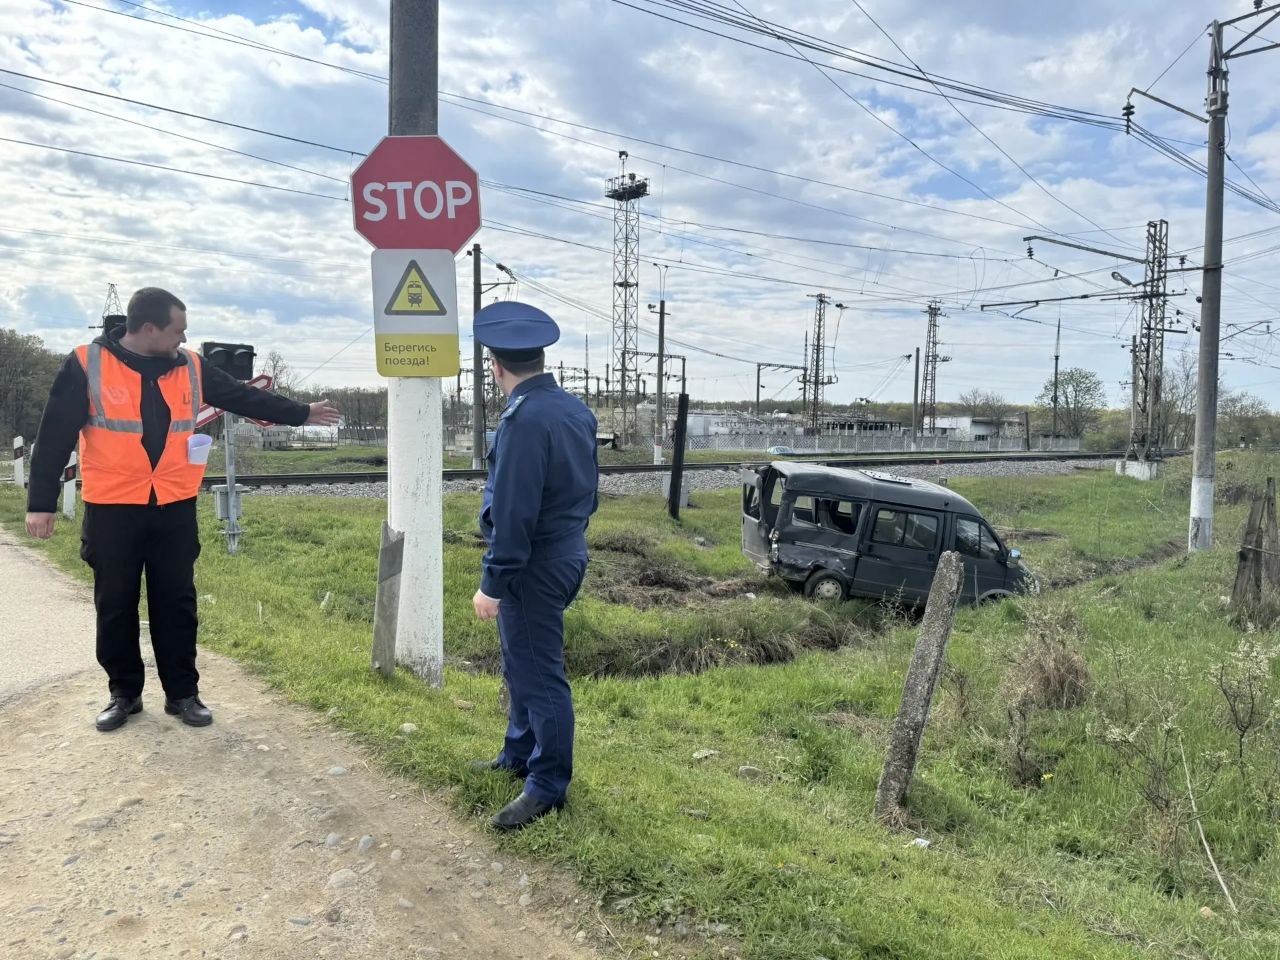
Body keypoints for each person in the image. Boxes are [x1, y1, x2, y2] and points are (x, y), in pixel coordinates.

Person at [24, 287, 340, 732]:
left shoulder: (189, 365)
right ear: (148, 328)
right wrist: (41, 503)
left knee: (177, 601)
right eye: (178, 330)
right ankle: (124, 694)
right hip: (113, 507)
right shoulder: (86, 364)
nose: (184, 338)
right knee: (115, 603)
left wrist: (301, 413)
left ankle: (183, 694)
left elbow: (243, 397)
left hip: (172, 504)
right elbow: (54, 433)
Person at [470, 301, 599, 831]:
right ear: (541, 359)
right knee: (520, 660)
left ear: (494, 367)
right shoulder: (574, 409)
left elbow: (514, 510)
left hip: (533, 563)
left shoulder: (523, 420)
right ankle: (518, 752)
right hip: (568, 551)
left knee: (540, 675)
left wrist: (493, 582)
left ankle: (547, 784)